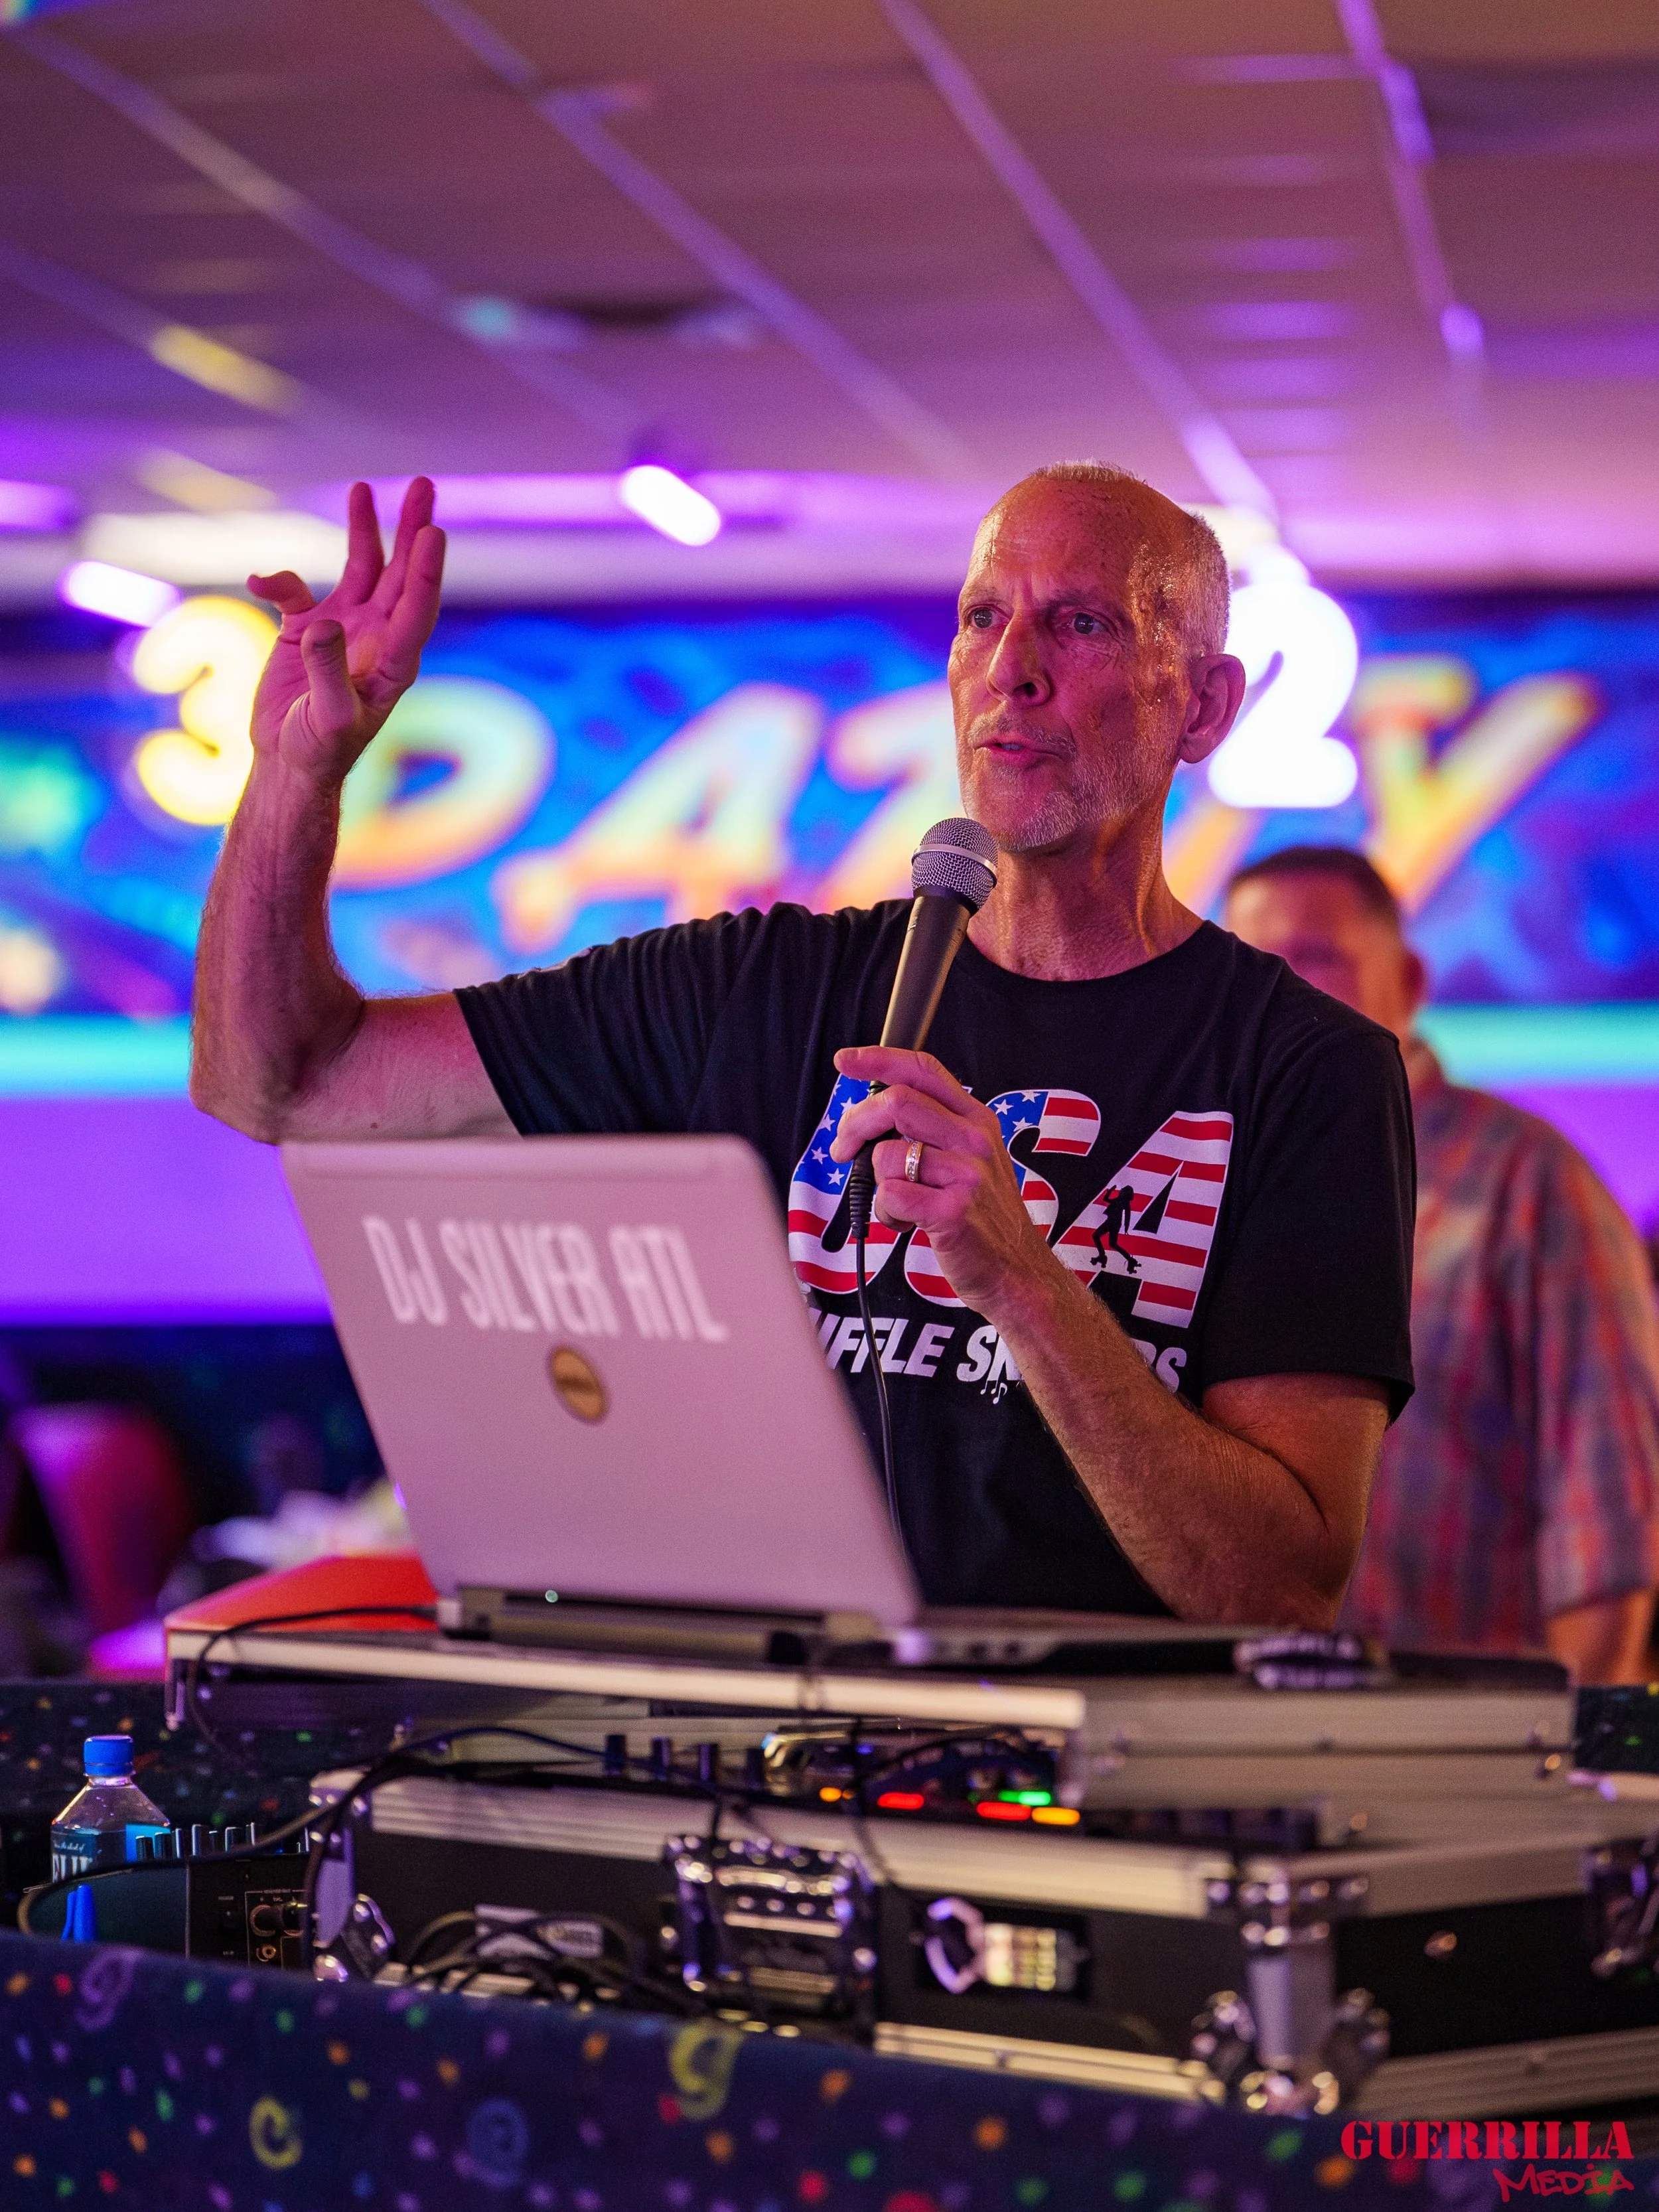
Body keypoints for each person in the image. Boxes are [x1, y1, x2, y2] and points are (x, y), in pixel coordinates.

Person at [192, 465, 1415, 1627]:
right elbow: (283, 1082)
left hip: (1096, 1809)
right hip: (766, 1776)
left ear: (1201, 706)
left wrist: (1019, 1279)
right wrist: (296, 773)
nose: (1012, 668)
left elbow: (1277, 1587)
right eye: (983, 616)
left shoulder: (1308, 1068)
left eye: (1081, 624)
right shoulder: (751, 986)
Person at [1224, 846, 1659, 1681]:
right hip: (1228, 1744)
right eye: (1255, 973)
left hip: (1458, 1760)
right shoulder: (1208, 1179)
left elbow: (1608, 1537)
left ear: (1412, 985)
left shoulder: (1526, 1186)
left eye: (1318, 962)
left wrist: (1560, 1785)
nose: (1284, 1000)